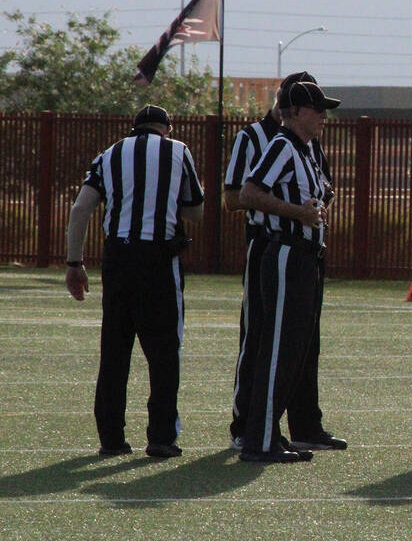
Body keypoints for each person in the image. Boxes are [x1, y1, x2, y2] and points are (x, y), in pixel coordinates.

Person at [65, 105, 204, 458]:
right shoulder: (178, 150)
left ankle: (111, 437)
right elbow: (196, 211)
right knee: (164, 352)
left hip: (118, 258)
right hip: (158, 259)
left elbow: (81, 209)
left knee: (115, 350)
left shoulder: (109, 154)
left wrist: (74, 263)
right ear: (166, 129)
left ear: (134, 129)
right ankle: (161, 437)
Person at [224, 71, 344, 453]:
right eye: (317, 109)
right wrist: (297, 212)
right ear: (294, 110)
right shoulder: (280, 144)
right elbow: (246, 193)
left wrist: (316, 207)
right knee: (274, 346)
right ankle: (258, 437)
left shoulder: (306, 147)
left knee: (296, 347)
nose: (323, 115)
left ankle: (278, 432)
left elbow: (320, 190)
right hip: (281, 250)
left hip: (305, 253)